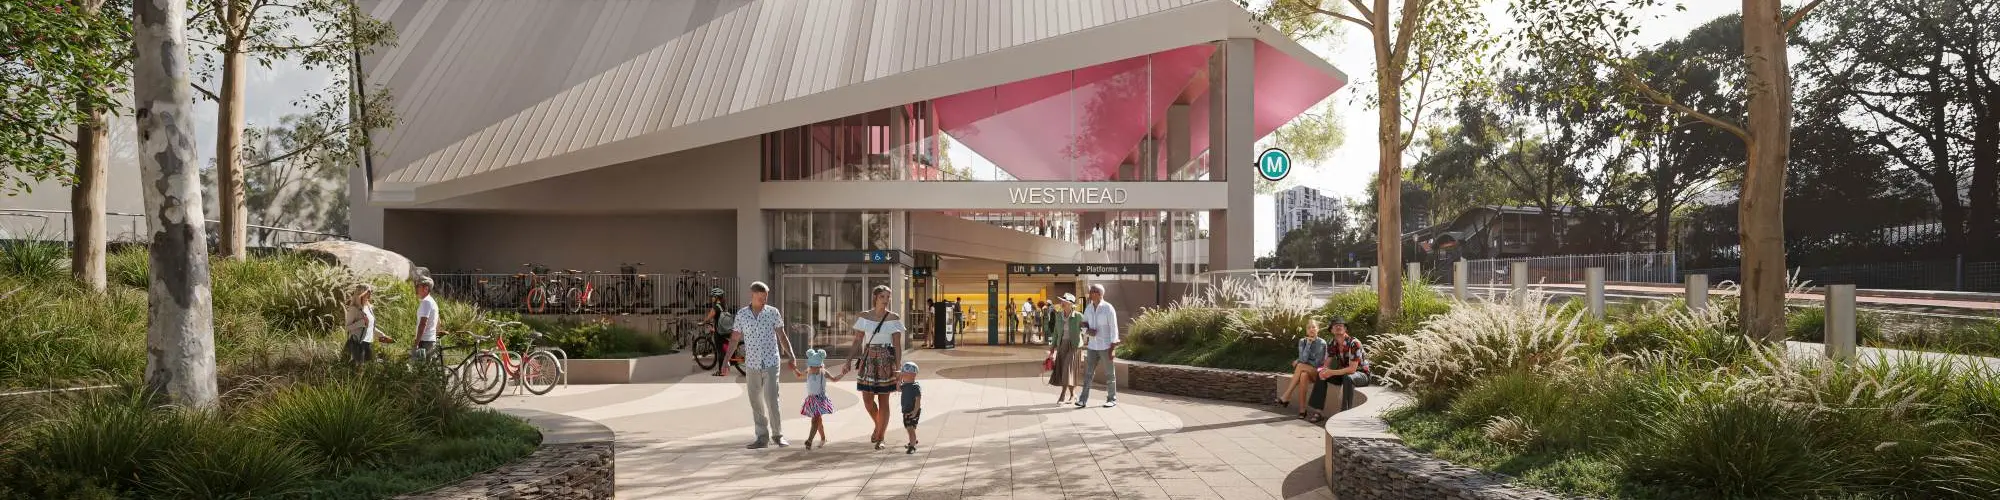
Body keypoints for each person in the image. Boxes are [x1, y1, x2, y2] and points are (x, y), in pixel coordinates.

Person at [729, 281, 798, 449]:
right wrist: (725, 362)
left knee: (772, 398)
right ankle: (761, 437)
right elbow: (734, 339)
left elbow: (782, 336)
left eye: (765, 298)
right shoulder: (742, 315)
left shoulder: (773, 313)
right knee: (755, 401)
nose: (764, 301)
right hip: (752, 364)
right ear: (752, 295)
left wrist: (791, 355)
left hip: (771, 362)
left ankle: (778, 435)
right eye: (761, 298)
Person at [849, 285, 905, 450]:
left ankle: (880, 436)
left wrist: (898, 367)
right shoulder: (864, 316)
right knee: (867, 400)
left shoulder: (893, 317)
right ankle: (878, 425)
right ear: (875, 297)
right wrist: (848, 360)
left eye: (888, 297)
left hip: (886, 361)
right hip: (868, 359)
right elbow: (858, 340)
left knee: (884, 400)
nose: (886, 300)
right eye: (882, 297)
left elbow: (897, 345)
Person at [1307, 316, 1372, 423]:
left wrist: (1331, 372)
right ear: (1331, 330)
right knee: (1321, 374)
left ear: (1345, 329)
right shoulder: (1333, 343)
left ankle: (1345, 414)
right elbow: (1326, 364)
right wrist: (1321, 371)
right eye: (1335, 325)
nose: (1338, 327)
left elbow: (1352, 370)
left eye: (1341, 325)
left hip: (1361, 375)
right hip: (1343, 374)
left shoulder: (1354, 343)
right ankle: (1318, 412)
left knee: (1348, 377)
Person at [1075, 283, 1119, 408]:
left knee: (1110, 374)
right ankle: (1083, 400)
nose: (1090, 293)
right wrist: (1088, 332)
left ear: (1099, 294)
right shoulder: (1088, 308)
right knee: (1088, 374)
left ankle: (1112, 399)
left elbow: (1114, 329)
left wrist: (1113, 347)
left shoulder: (1108, 308)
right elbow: (1083, 324)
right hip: (1092, 347)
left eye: (1093, 291)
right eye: (1091, 291)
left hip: (1106, 346)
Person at [1277, 317, 1330, 420]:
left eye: (1313, 327)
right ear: (1306, 330)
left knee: (1301, 366)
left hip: (1318, 373)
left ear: (1318, 329)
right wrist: (1308, 344)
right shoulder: (1302, 341)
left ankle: (1287, 396)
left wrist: (1300, 361)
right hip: (1307, 371)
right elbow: (1303, 358)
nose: (1311, 329)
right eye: (1309, 327)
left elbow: (1317, 363)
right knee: (1303, 375)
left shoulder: (1322, 343)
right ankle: (1302, 410)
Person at [794, 348, 844, 450]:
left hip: (820, 399)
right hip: (811, 400)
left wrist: (843, 373)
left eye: (815, 366)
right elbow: (799, 375)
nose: (812, 368)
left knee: (815, 420)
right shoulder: (808, 370)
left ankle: (809, 440)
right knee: (818, 421)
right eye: (811, 366)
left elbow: (834, 379)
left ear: (820, 366)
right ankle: (823, 438)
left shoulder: (823, 372)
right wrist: (793, 368)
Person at [1043, 293, 1085, 404]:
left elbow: (1085, 329)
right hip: (1062, 345)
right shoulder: (1059, 315)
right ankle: (1072, 394)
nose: (1062, 303)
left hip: (1074, 346)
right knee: (1066, 371)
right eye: (1061, 301)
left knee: (1067, 369)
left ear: (1070, 304)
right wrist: (1052, 347)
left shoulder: (1078, 316)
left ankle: (1062, 395)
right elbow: (1056, 332)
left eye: (1064, 301)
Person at [706, 288, 742, 376]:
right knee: (728, 346)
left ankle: (722, 371)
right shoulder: (724, 305)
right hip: (727, 329)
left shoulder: (715, 307)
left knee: (720, 351)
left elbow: (709, 317)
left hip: (720, 332)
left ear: (716, 297)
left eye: (713, 297)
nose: (712, 298)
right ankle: (732, 359)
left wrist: (703, 322)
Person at [343, 284, 382, 365]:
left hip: (367, 344)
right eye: (368, 291)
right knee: (358, 372)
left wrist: (382, 335)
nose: (370, 293)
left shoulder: (369, 308)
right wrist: (361, 323)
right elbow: (347, 327)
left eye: (371, 291)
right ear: (362, 293)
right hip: (357, 345)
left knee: (368, 371)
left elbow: (370, 327)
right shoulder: (354, 309)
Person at [413, 277, 440, 361]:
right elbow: (439, 321)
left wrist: (416, 343)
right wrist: (434, 336)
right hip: (430, 340)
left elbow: (423, 323)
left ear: (426, 288)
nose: (416, 288)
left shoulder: (426, 302)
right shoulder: (432, 301)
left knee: (419, 370)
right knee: (428, 369)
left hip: (424, 341)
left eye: (418, 286)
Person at [898, 361, 923, 454]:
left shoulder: (915, 387)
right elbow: (898, 388)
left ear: (912, 375)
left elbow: (918, 400)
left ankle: (912, 446)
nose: (902, 375)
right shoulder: (905, 385)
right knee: (910, 428)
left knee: (910, 427)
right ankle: (913, 440)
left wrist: (915, 411)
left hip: (912, 411)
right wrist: (899, 380)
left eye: (904, 373)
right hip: (906, 410)